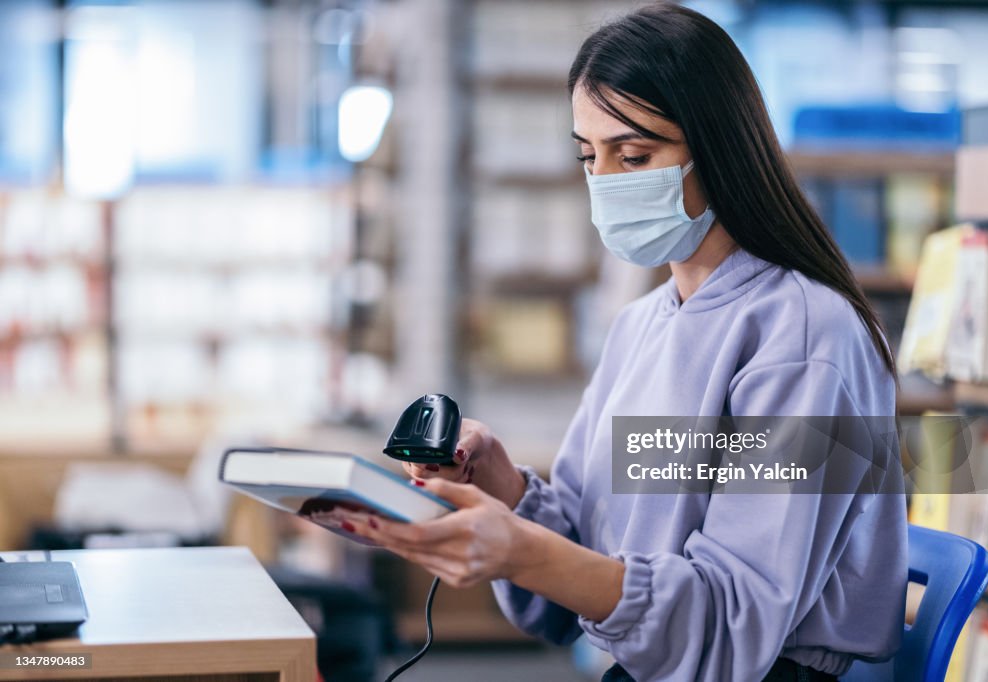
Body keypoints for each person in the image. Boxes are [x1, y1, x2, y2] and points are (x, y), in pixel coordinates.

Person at [340, 4, 908, 680]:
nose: (606, 183)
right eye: (589, 156)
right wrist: (505, 490)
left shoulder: (807, 338)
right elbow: (588, 560)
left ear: (719, 146)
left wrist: (521, 551)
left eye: (634, 155)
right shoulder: (644, 325)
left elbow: (733, 625)